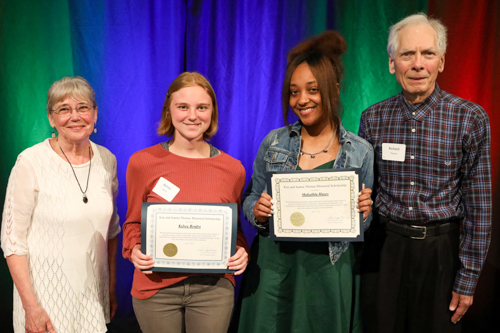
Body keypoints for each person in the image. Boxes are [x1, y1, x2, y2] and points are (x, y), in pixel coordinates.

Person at [359, 13, 492, 333]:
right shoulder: (372, 118)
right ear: (392, 63)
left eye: (427, 54)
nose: (417, 64)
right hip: (385, 251)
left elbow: (480, 209)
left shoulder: (470, 118)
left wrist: (468, 278)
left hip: (442, 254)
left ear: (441, 61)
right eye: (407, 54)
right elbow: (362, 193)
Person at [237, 31, 374, 333]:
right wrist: (257, 212)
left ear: (334, 90)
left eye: (312, 90)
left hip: (329, 269)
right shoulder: (274, 142)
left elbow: (364, 223)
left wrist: (364, 213)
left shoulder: (361, 151)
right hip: (275, 268)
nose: (302, 100)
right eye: (294, 92)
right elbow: (249, 199)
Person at [122, 72, 249, 333]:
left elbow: (232, 230)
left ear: (212, 112)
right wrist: (134, 248)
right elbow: (133, 221)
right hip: (155, 289)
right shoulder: (142, 163)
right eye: (183, 107)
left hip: (213, 290)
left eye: (202, 107)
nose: (193, 116)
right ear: (169, 110)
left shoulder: (233, 169)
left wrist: (240, 252)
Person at [1, 76, 120, 333]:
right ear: (51, 119)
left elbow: (111, 232)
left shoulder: (106, 160)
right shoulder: (30, 162)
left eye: (83, 107)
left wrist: (110, 288)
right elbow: (12, 243)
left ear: (95, 114)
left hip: (91, 299)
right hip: (44, 299)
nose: (75, 116)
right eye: (64, 109)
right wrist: (31, 307)